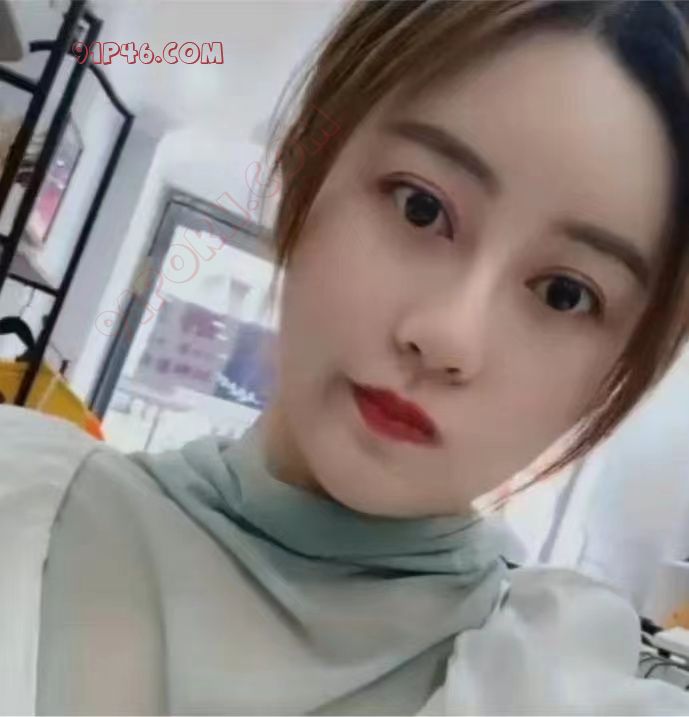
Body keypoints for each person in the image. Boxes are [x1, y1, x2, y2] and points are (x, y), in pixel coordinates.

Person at [2, 0, 689, 713]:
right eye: (420, 207)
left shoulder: (553, 684)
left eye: (564, 294)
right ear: (308, 163)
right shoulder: (20, 502)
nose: (447, 335)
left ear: (618, 372)